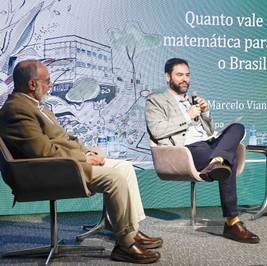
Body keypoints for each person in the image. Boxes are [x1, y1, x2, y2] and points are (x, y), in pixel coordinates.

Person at [0, 60, 162, 264]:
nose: (51, 85)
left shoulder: (34, 105)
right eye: (47, 81)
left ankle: (132, 229)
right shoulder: (17, 110)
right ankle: (125, 244)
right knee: (115, 178)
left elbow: (61, 138)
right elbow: (43, 152)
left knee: (125, 167)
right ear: (33, 84)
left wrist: (87, 151)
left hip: (63, 164)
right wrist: (84, 158)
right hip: (47, 172)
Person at [145, 58, 260, 243]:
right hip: (185, 150)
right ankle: (232, 222)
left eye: (187, 75)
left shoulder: (194, 100)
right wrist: (186, 115)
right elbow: (157, 131)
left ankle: (217, 160)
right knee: (232, 161)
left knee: (237, 127)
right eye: (179, 75)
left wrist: (205, 113)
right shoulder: (156, 100)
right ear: (168, 76)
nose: (185, 79)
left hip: (208, 144)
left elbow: (208, 130)